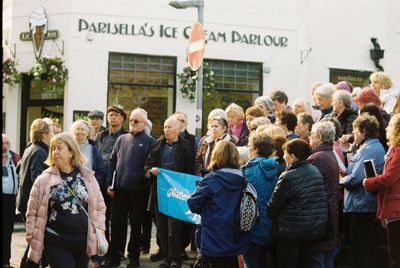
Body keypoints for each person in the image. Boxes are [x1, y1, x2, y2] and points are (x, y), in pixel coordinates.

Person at [24, 133, 106, 267]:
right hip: (56, 240)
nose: (55, 152)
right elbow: (32, 212)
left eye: (59, 148)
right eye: (53, 148)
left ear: (71, 152)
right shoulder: (43, 180)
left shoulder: (88, 177)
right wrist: (32, 238)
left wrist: (98, 233)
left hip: (83, 242)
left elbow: (100, 208)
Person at [104, 108, 157, 268]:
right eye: (131, 120)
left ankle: (133, 257)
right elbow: (112, 162)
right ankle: (114, 255)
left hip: (139, 192)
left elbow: (151, 167)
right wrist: (109, 183)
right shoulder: (121, 139)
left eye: (136, 121)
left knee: (136, 226)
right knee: (117, 225)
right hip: (120, 190)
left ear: (144, 123)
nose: (133, 123)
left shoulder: (151, 142)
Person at [188, 140, 249, 268]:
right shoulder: (243, 179)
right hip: (235, 235)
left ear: (216, 156)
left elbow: (193, 203)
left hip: (212, 235)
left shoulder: (211, 179)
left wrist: (205, 209)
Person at [267, 138, 328, 268]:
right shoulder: (315, 172)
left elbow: (272, 209)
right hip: (312, 230)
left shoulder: (287, 176)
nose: (283, 156)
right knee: (306, 263)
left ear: (293, 156)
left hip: (290, 232)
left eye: (285, 153)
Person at [145, 117, 194, 268]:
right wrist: (150, 171)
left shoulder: (186, 147)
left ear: (178, 129)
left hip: (176, 194)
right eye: (165, 127)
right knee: (161, 229)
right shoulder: (158, 145)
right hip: (159, 194)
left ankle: (175, 259)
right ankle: (165, 258)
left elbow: (190, 171)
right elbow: (146, 167)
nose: (166, 130)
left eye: (170, 127)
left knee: (174, 229)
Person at [339, 114, 385, 268]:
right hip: (361, 204)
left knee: (365, 250)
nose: (353, 134)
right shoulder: (366, 147)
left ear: (364, 131)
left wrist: (339, 181)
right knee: (360, 248)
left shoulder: (370, 149)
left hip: (364, 205)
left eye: (355, 130)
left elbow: (355, 178)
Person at [363, 114, 400, 267]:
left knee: (396, 255)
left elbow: (389, 178)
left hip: (396, 208)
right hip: (394, 207)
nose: (387, 128)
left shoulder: (398, 151)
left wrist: (368, 182)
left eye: (390, 125)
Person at [17, 118, 54, 267]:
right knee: (36, 240)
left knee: (37, 240)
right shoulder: (40, 152)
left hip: (25, 201)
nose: (52, 134)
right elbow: (37, 179)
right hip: (33, 204)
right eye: (51, 131)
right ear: (44, 134)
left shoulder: (30, 148)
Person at [94, 105, 127, 254]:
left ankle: (117, 251)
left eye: (116, 115)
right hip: (100, 182)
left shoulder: (126, 136)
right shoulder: (100, 136)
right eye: (110, 115)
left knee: (119, 220)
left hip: (118, 183)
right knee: (102, 219)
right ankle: (103, 249)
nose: (113, 117)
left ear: (122, 118)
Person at [242, 133, 278, 268]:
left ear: (255, 150)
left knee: (251, 262)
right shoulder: (276, 167)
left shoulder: (250, 170)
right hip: (269, 223)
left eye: (249, 146)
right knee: (263, 261)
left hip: (252, 224)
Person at [308, 121, 340, 268]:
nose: (309, 138)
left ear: (319, 136)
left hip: (320, 212)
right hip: (330, 209)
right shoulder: (329, 154)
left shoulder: (317, 157)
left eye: (312, 135)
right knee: (326, 255)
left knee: (319, 256)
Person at [2, 134, 20, 268]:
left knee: (7, 230)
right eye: (2, 143)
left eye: (7, 143)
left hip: (10, 200)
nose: (5, 146)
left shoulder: (15, 157)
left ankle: (5, 261)